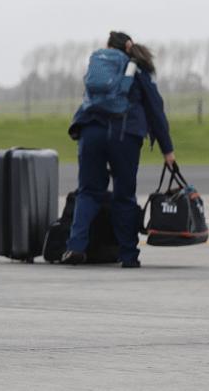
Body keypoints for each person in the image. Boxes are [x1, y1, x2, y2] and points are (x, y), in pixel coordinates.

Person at [63, 31, 176, 268]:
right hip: (124, 135)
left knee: (88, 192)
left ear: (107, 47)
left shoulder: (99, 69)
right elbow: (155, 110)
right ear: (129, 46)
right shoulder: (137, 70)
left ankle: (75, 247)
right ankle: (128, 255)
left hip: (90, 132)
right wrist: (167, 149)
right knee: (124, 195)